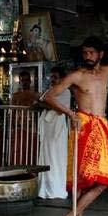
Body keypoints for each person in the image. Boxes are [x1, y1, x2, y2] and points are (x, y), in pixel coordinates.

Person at [43, 36, 108, 216]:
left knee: (101, 182)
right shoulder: (77, 76)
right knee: (80, 183)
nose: (88, 56)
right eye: (85, 53)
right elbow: (48, 96)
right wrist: (70, 113)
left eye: (92, 52)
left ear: (100, 54)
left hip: (100, 127)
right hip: (83, 127)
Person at [38, 67, 71, 199]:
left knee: (56, 156)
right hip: (48, 125)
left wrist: (47, 103)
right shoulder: (49, 91)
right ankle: (44, 188)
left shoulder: (65, 92)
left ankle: (56, 189)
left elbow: (57, 108)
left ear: (62, 79)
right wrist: (47, 103)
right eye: (51, 77)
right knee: (46, 155)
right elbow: (40, 102)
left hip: (57, 125)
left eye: (55, 77)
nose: (52, 79)